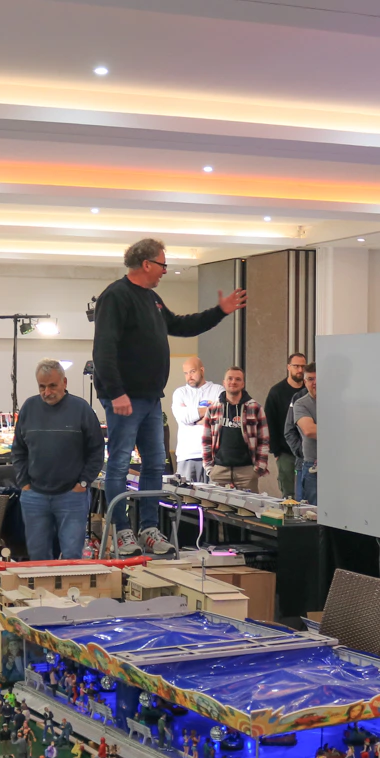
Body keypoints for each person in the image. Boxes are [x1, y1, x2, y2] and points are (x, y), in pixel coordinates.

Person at [92, 237, 246, 555]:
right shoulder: (116, 296)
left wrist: (219, 311)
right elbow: (103, 349)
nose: (165, 271)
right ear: (146, 263)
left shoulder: (152, 300)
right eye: (163, 264)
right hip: (125, 398)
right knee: (119, 464)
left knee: (155, 464)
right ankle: (122, 531)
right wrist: (117, 392)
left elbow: (180, 325)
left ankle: (148, 529)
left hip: (150, 398)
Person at [12, 359, 105, 560]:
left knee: (72, 556)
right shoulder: (29, 408)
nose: (47, 392)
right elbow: (18, 450)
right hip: (34, 496)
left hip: (72, 497)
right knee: (37, 558)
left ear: (64, 382)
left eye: (52, 386)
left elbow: (97, 450)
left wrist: (83, 483)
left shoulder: (81, 409)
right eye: (42, 387)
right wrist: (24, 483)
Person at [201, 366, 268, 491]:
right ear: (224, 382)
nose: (233, 382)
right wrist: (209, 468)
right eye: (230, 379)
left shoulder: (255, 408)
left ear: (243, 384)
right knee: (215, 504)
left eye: (238, 379)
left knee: (249, 504)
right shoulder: (213, 409)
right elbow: (206, 440)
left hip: (247, 472)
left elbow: (264, 440)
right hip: (219, 471)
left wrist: (258, 469)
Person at [169, 357, 220, 483]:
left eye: (192, 371)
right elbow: (183, 417)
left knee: (214, 495)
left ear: (202, 370)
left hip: (213, 456)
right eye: (186, 373)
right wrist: (208, 411)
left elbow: (220, 416)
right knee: (185, 494)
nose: (189, 376)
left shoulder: (218, 390)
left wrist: (193, 416)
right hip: (187, 455)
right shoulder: (180, 393)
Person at [264, 352, 307, 499]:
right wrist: (276, 452)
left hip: (307, 453)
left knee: (307, 494)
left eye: (303, 366)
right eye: (296, 366)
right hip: (285, 452)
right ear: (288, 367)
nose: (300, 370)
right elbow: (270, 422)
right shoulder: (277, 392)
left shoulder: (309, 391)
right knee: (289, 495)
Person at [288, 364, 318, 504]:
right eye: (311, 379)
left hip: (339, 464)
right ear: (305, 382)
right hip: (313, 466)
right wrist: (341, 431)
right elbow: (309, 430)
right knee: (313, 512)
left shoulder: (338, 402)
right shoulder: (301, 404)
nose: (315, 382)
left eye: (318, 378)